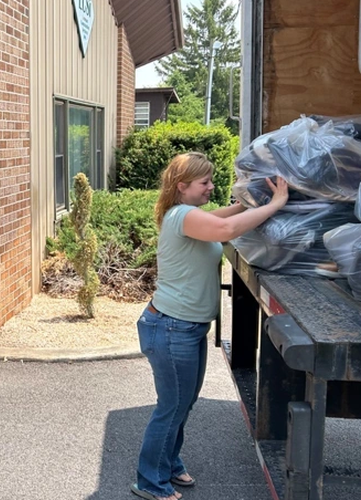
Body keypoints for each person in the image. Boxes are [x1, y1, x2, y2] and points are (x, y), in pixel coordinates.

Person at [131, 152, 288, 500]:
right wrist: (276, 203)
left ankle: (168, 465)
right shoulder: (181, 216)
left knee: (182, 404)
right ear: (182, 186)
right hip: (171, 329)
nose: (211, 187)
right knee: (171, 407)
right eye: (205, 183)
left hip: (185, 329)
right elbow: (227, 229)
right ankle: (149, 480)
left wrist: (242, 203)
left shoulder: (189, 216)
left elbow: (222, 217)